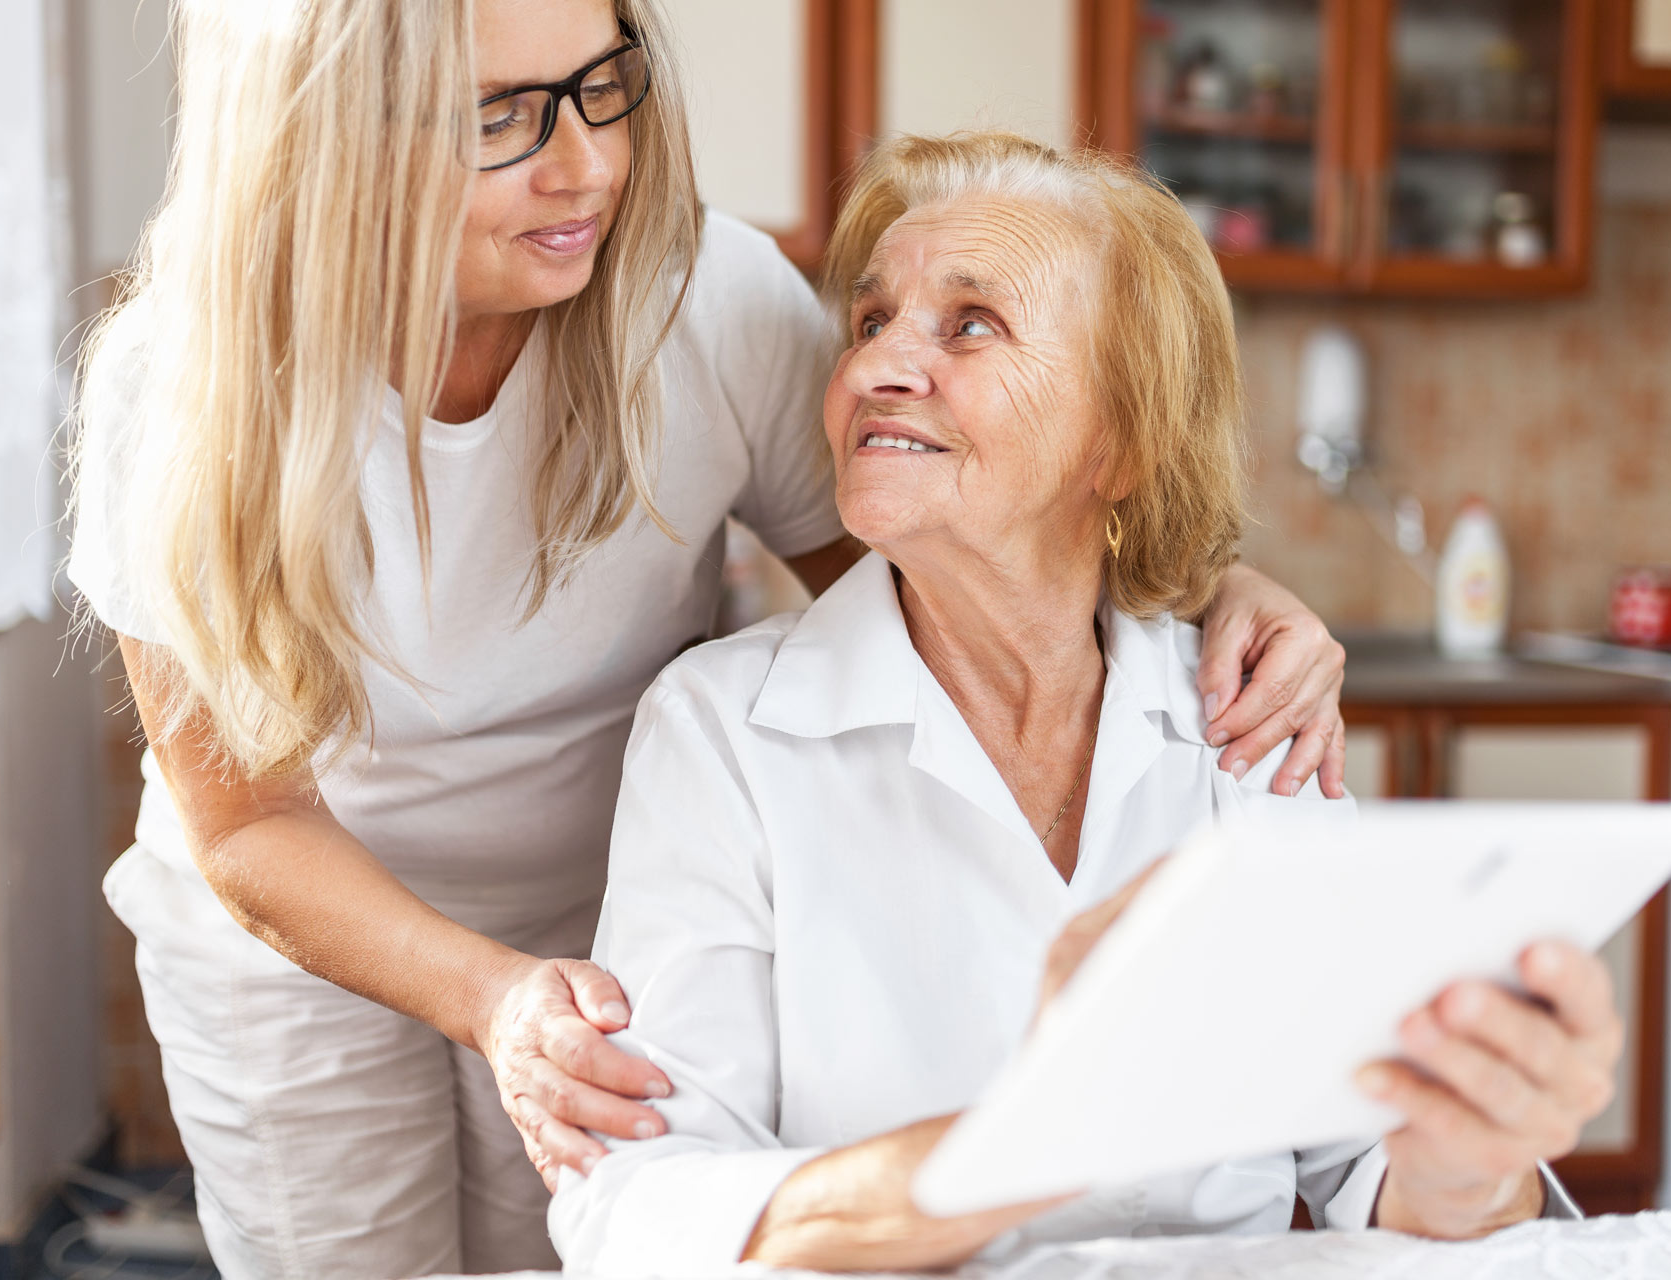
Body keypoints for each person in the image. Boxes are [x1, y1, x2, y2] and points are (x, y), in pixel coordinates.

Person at [68, 3, 1353, 1274]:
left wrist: (1204, 581)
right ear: (333, 141)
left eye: (599, 86)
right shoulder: (182, 388)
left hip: (603, 908)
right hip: (307, 922)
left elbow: (960, 528)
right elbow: (246, 819)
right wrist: (490, 996)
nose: (585, 166)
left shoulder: (705, 303)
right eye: (500, 117)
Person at [547, 133, 1618, 1274]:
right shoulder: (721, 733)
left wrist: (1475, 1150)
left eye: (969, 324)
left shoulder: (1248, 718)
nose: (872, 368)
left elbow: (1370, 1171)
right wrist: (1029, 1137)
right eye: (870, 323)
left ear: (1121, 439)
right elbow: (642, 1203)